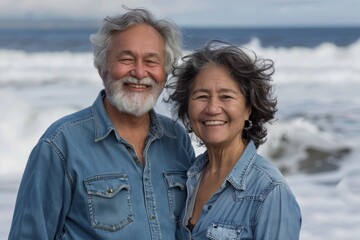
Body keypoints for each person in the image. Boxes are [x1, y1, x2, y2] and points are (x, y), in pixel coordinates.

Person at [8, 7, 195, 239]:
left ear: (165, 72)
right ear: (101, 66)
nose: (139, 72)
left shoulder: (177, 139)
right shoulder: (60, 143)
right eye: (126, 59)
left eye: (151, 61)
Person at [167, 40, 302, 239]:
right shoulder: (187, 177)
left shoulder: (271, 192)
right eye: (202, 96)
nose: (212, 108)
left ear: (249, 108)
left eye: (226, 97)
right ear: (187, 108)